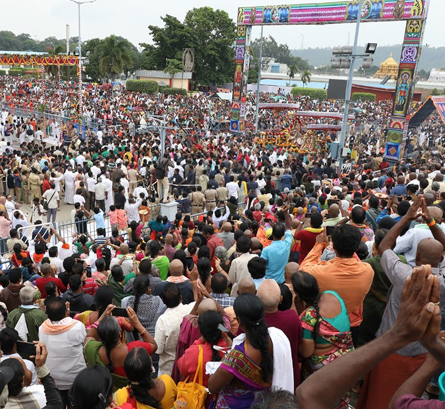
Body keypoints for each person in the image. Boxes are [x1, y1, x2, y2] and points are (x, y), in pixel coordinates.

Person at [209, 294, 293, 408]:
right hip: (262, 402)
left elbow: (212, 386)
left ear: (239, 320)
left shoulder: (237, 356)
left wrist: (228, 353)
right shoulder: (276, 337)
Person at [300, 224, 374, 344]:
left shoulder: (321, 272)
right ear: (357, 247)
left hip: (327, 325)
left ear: (333, 245)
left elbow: (303, 269)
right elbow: (354, 259)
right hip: (353, 325)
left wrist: (319, 244)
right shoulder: (367, 270)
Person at [292, 271, 353, 407]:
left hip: (323, 369)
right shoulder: (333, 295)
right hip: (346, 361)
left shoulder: (309, 316)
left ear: (299, 295)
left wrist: (300, 311)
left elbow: (306, 352)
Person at [84, 305, 157, 389]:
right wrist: (137, 324)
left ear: (99, 337)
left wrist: (102, 317)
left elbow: (89, 335)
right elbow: (153, 345)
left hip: (105, 395)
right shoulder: (133, 350)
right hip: (128, 397)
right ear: (119, 333)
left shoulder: (92, 349)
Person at [38, 297, 86, 408]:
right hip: (74, 379)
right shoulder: (77, 326)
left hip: (53, 380)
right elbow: (84, 343)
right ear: (65, 311)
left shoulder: (42, 328)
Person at [257, 279, 302, 390]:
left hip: (261, 379)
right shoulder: (292, 317)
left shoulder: (252, 321)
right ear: (281, 299)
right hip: (289, 378)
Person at [0, 341, 63, 409]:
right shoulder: (41, 392)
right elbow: (55, 405)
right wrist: (42, 369)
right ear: (23, 380)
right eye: (26, 370)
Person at [178, 310, 229, 387]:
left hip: (200, 397)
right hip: (224, 397)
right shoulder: (231, 349)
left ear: (201, 332)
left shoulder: (194, 352)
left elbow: (181, 367)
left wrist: (199, 341)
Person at [154, 283, 194, 377]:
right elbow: (199, 302)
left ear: (163, 301)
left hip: (168, 370)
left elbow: (158, 349)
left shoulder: (162, 321)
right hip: (187, 367)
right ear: (181, 298)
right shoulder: (190, 309)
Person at [261, 204, 292, 284]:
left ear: (272, 235)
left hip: (268, 282)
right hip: (282, 281)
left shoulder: (266, 250)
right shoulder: (287, 244)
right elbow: (288, 228)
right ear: (283, 235)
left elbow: (261, 265)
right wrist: (286, 212)